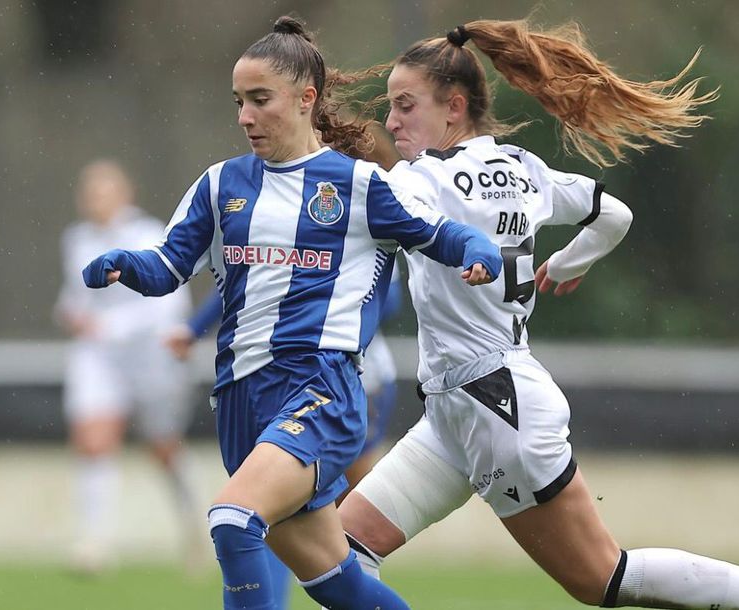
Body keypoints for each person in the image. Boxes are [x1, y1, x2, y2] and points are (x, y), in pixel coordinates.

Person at [334, 18, 739, 610]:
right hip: (459, 411)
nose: (393, 121)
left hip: (495, 405)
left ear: (453, 108)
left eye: (404, 106)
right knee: (341, 554)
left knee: (603, 577)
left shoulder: (420, 179)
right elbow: (614, 215)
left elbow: (382, 210)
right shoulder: (522, 169)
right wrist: (568, 261)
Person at [81, 16, 502, 610]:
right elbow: (168, 268)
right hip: (239, 402)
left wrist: (481, 250)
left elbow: (441, 235)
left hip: (319, 391)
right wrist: (125, 264)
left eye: (260, 100)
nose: (245, 117)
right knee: (340, 587)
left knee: (232, 519)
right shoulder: (219, 185)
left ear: (306, 99)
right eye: (238, 102)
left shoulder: (357, 186)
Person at [164, 264, 402, 609]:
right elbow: (241, 280)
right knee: (268, 514)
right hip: (273, 383)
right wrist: (194, 328)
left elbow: (390, 297)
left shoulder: (360, 211)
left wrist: (314, 307)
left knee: (352, 520)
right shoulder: (264, 219)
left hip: (352, 381)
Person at [54, 159, 200, 573]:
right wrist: (70, 313)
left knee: (163, 446)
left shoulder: (147, 235)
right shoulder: (77, 239)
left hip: (150, 357)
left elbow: (169, 303)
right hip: (98, 357)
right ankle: (94, 544)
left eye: (104, 191)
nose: (95, 200)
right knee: (93, 439)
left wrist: (111, 326)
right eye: (89, 191)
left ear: (125, 194)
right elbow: (76, 297)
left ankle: (196, 529)